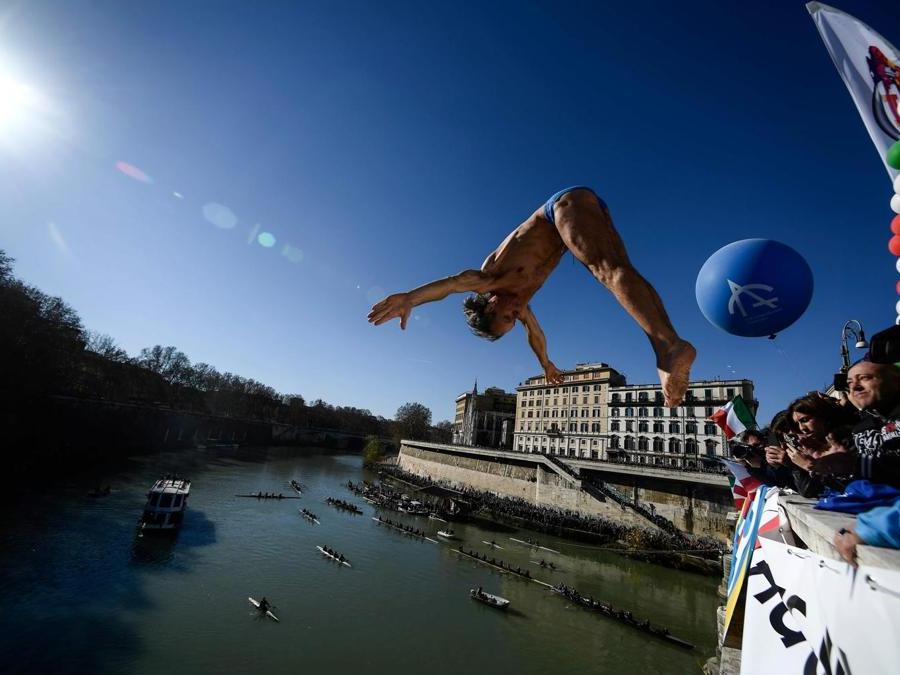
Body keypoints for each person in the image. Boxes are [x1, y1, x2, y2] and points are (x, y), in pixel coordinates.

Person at [367, 186, 696, 406]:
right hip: (587, 210)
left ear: (490, 304)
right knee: (619, 271)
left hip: (561, 208)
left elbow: (451, 285)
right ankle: (667, 349)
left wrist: (411, 297)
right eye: (514, 319)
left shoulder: (489, 278)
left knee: (607, 272)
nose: (518, 312)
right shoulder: (520, 305)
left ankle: (669, 347)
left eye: (507, 315)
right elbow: (535, 335)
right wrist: (547, 364)